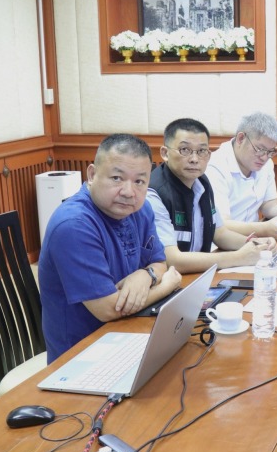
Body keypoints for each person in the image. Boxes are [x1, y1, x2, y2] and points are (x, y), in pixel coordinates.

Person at [39, 134, 182, 362]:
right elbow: (108, 309)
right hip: (81, 356)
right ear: (92, 175)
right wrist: (166, 285)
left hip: (128, 335)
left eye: (139, 181)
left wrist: (146, 275)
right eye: (117, 178)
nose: (128, 192)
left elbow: (159, 262)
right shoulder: (74, 225)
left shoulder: (140, 209)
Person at [147, 118, 277, 272]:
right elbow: (172, 260)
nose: (194, 159)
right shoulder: (153, 193)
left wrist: (255, 244)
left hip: (199, 276)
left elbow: (219, 233)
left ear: (208, 155)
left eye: (201, 151)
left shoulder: (202, 182)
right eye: (185, 150)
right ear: (165, 153)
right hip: (171, 280)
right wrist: (239, 257)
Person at [205, 112, 277, 241]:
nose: (264, 157)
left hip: (255, 240)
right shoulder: (215, 167)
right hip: (223, 245)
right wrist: (265, 228)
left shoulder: (266, 164)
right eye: (260, 149)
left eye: (270, 152)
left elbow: (268, 203)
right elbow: (222, 224)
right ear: (241, 139)